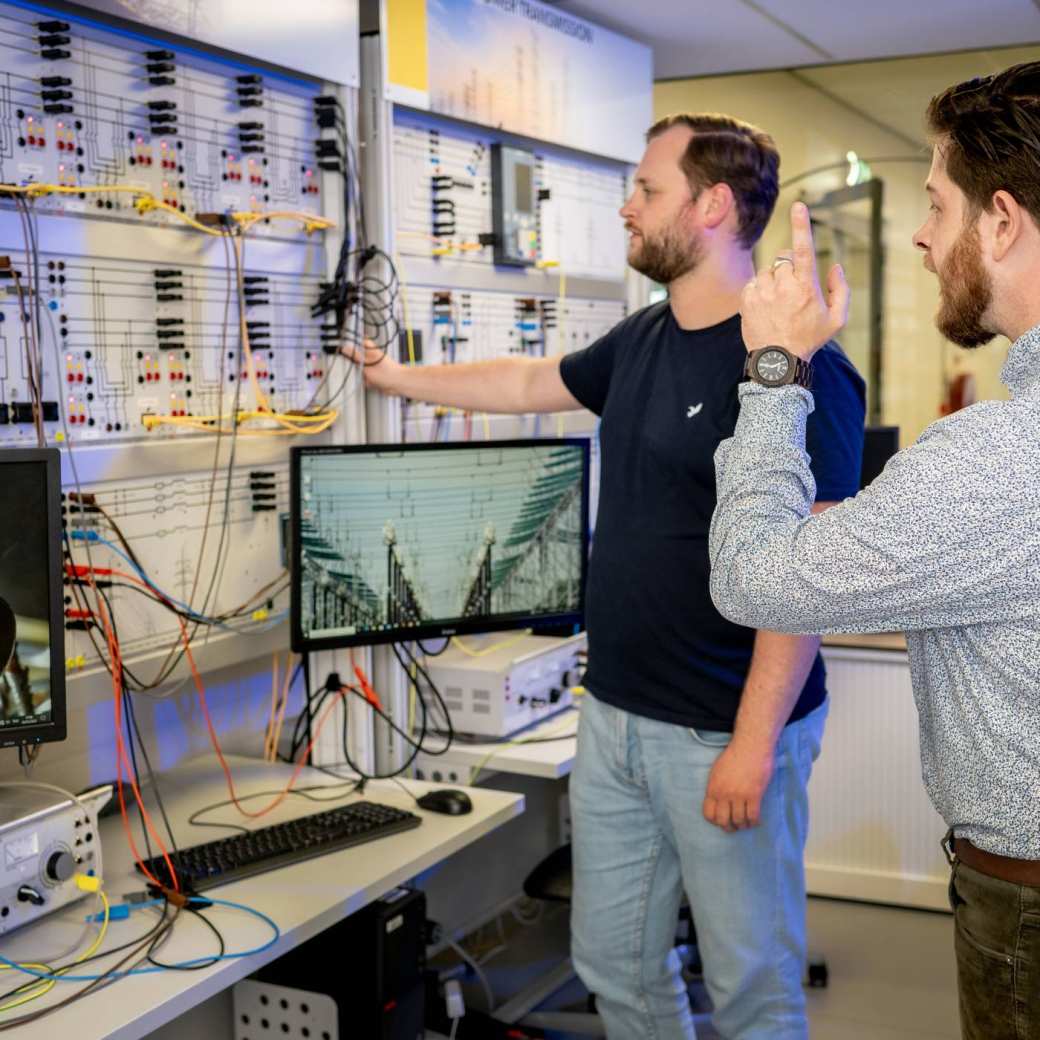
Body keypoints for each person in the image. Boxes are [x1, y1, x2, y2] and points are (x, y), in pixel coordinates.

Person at [348, 113, 865, 1038]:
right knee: (616, 966)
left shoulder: (804, 368)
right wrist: (397, 380)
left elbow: (810, 578)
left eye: (645, 190)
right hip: (617, 713)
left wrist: (752, 744)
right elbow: (523, 383)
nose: (627, 208)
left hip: (723, 726)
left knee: (752, 989)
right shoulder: (641, 340)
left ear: (711, 206)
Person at [708, 63, 1040, 1040]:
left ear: (1004, 220)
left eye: (938, 204)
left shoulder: (998, 457)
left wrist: (772, 364)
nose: (922, 235)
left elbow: (751, 577)